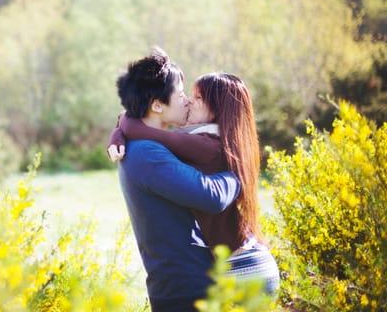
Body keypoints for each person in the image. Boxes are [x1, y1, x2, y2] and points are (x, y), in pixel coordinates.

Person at [108, 71, 280, 296]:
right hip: (250, 261)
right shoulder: (220, 143)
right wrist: (118, 132)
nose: (189, 101)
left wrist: (121, 127)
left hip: (242, 266)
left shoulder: (207, 145)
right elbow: (142, 130)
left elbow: (141, 131)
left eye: (198, 98)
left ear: (217, 109)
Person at [112, 48, 241, 311]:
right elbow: (212, 197)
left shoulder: (146, 146)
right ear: (157, 105)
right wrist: (239, 176)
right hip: (184, 287)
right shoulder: (148, 154)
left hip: (181, 282)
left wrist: (120, 128)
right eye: (181, 94)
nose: (187, 101)